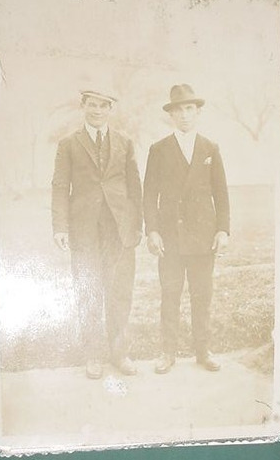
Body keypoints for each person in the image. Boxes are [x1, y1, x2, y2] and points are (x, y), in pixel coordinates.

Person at [52, 89, 142, 379]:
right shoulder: (68, 144)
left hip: (119, 230)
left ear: (111, 109)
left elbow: (134, 186)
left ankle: (120, 353)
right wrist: (60, 227)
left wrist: (136, 225)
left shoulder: (125, 142)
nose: (98, 110)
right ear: (83, 106)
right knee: (89, 291)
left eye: (104, 106)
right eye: (93, 105)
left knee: (119, 292)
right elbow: (59, 186)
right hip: (84, 230)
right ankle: (94, 355)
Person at [143, 84, 230, 373]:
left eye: (189, 109)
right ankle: (167, 353)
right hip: (169, 238)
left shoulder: (210, 148)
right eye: (178, 110)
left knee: (202, 295)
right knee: (170, 294)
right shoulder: (158, 149)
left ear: (198, 112)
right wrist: (152, 231)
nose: (184, 116)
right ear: (171, 115)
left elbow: (221, 193)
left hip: (204, 237)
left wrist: (223, 230)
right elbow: (148, 194)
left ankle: (203, 351)